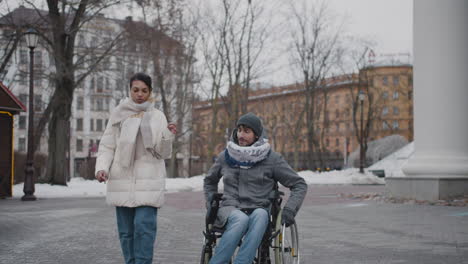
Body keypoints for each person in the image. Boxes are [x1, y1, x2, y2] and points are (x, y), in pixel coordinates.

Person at [204, 112, 308, 264]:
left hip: (260, 209)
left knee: (260, 215)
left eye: (246, 131)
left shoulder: (271, 159)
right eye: (239, 130)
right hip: (230, 209)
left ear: (257, 135)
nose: (241, 135)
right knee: (240, 218)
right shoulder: (226, 157)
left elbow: (299, 184)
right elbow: (209, 181)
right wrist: (210, 204)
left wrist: (290, 210)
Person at [95, 72, 177, 264]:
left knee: (144, 228)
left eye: (144, 90)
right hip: (121, 179)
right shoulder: (118, 114)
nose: (140, 94)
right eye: (135, 90)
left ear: (150, 92)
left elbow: (163, 153)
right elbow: (107, 146)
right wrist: (102, 168)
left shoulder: (157, 116)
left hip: (149, 181)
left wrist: (167, 136)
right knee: (126, 233)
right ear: (130, 90)